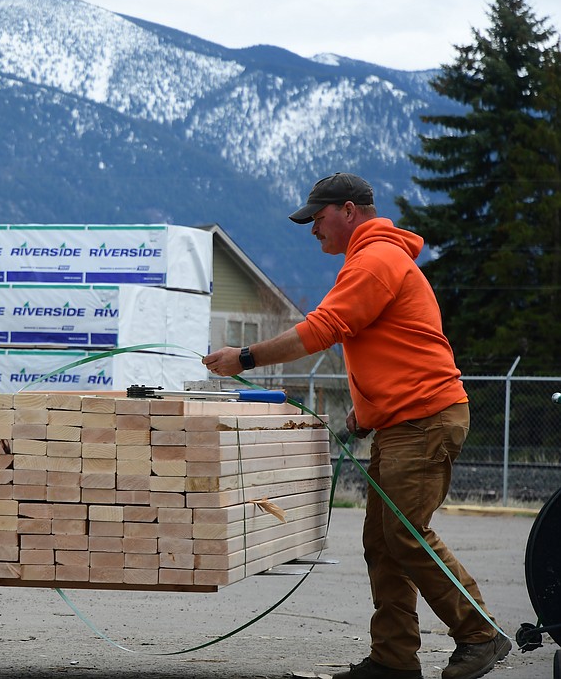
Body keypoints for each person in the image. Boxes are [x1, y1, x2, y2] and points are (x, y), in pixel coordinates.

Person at [202, 173, 511, 679]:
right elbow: (392, 347)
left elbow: (324, 329)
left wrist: (245, 356)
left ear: (348, 211)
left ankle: (478, 633)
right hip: (404, 419)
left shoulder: (375, 260)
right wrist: (366, 412)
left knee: (406, 535)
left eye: (318, 219)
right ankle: (393, 661)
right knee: (384, 542)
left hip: (424, 419)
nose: (313, 230)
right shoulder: (373, 259)